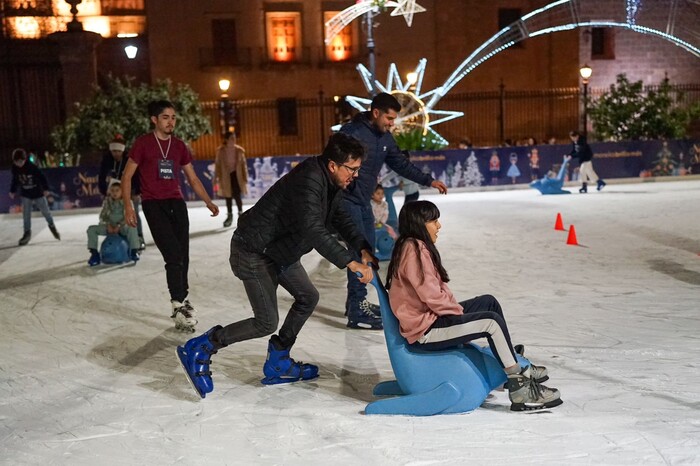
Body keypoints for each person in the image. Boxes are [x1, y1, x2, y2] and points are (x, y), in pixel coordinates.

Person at [176, 132, 376, 398]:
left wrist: (362, 246)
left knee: (308, 296)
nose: (356, 175)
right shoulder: (308, 180)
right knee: (266, 321)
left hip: (278, 250)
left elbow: (337, 216)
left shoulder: (330, 183)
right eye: (352, 169)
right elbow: (313, 228)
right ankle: (202, 346)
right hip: (253, 250)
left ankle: (278, 360)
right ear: (333, 165)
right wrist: (349, 261)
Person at [385, 200, 562, 411]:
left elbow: (436, 292)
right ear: (418, 223)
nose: (438, 225)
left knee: (488, 302)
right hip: (426, 330)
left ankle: (508, 360)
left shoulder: (412, 246)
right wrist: (457, 313)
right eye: (433, 220)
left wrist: (455, 311)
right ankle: (518, 383)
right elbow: (431, 295)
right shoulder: (414, 249)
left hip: (430, 319)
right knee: (490, 323)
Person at [340, 92, 448, 330]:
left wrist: (428, 180)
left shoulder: (384, 138)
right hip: (346, 200)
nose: (392, 123)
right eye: (389, 118)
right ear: (375, 112)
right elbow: (332, 163)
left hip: (362, 201)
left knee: (366, 249)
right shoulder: (352, 133)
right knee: (360, 251)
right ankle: (357, 308)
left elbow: (400, 162)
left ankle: (355, 302)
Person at [121, 100, 220, 332]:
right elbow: (126, 177)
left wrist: (208, 201)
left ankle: (182, 301)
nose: (171, 122)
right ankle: (178, 303)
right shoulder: (143, 144)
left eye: (173, 117)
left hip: (177, 203)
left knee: (183, 254)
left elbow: (192, 178)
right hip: (153, 204)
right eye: (165, 117)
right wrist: (128, 206)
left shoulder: (178, 146)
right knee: (173, 254)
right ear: (154, 119)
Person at [98, 134, 145, 250]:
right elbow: (101, 176)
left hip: (129, 190)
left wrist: (137, 192)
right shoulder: (107, 159)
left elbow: (137, 175)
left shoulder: (129, 158)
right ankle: (117, 236)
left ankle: (139, 237)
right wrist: (104, 191)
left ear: (122, 150)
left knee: (133, 213)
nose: (116, 154)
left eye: (118, 151)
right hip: (114, 190)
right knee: (114, 212)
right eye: (114, 151)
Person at [9, 148, 60, 246]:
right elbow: (15, 180)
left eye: (21, 161)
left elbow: (42, 177)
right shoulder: (14, 168)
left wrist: (45, 189)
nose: (19, 164)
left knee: (46, 212)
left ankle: (52, 226)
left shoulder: (32, 167)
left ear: (24, 159)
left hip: (37, 193)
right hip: (26, 194)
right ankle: (27, 233)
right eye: (16, 162)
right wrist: (12, 190)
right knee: (26, 214)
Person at [86, 180, 140, 266]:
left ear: (122, 191)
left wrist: (119, 225)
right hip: (109, 227)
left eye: (117, 190)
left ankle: (134, 251)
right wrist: (107, 225)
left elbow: (130, 217)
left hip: (122, 227)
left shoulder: (128, 202)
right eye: (112, 190)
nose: (114, 193)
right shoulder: (107, 202)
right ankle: (94, 254)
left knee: (132, 227)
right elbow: (102, 216)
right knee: (91, 229)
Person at [214, 131, 248, 227]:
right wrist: (216, 178)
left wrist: (245, 177)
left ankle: (241, 215)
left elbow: (243, 165)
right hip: (226, 176)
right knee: (228, 196)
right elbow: (218, 165)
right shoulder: (221, 151)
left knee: (237, 195)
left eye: (234, 138)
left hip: (237, 176)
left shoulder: (239, 151)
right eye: (232, 138)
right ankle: (229, 216)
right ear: (227, 140)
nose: (234, 140)